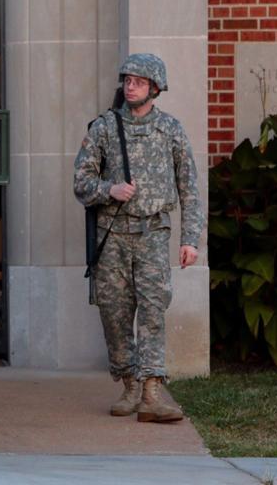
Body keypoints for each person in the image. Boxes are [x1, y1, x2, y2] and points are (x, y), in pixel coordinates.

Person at [72, 53, 203, 423]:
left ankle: (151, 392)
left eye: (139, 82)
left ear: (155, 88)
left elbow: (189, 188)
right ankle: (128, 381)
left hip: (153, 234)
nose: (131, 86)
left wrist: (190, 239)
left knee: (152, 311)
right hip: (112, 235)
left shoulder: (171, 130)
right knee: (113, 313)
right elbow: (80, 181)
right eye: (127, 80)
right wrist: (108, 189)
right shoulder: (104, 128)